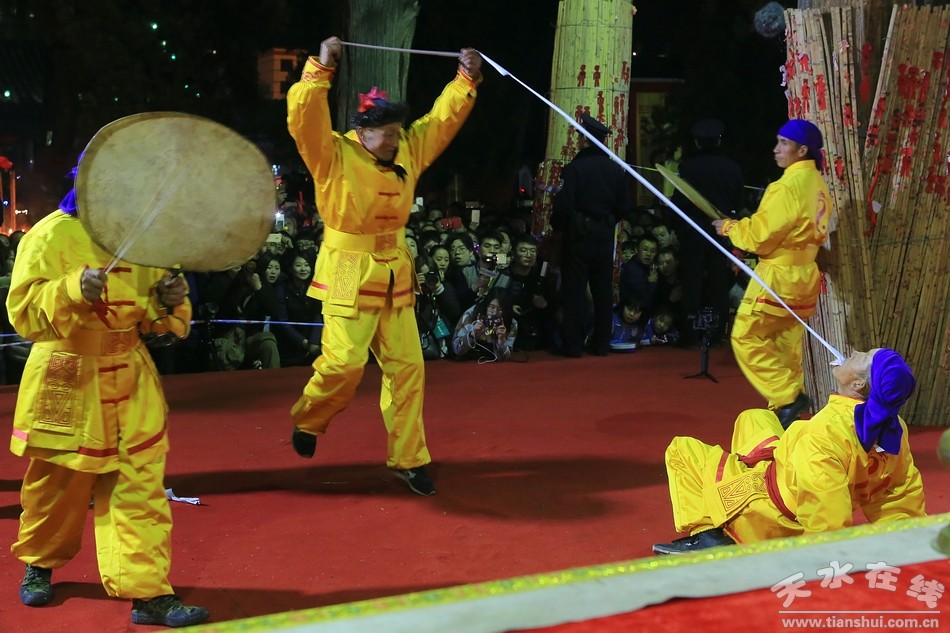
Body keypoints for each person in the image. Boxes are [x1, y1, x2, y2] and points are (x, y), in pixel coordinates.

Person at [285, 36, 482, 496]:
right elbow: (304, 119)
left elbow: (440, 122)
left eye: (397, 133)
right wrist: (320, 70)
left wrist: (466, 79)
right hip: (347, 268)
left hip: (395, 269)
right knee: (343, 365)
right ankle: (310, 419)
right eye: (386, 135)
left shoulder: (408, 148)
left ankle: (409, 458)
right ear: (364, 132)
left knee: (409, 368)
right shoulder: (332, 153)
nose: (395, 141)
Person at [6, 189, 208, 625]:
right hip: (67, 375)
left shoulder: (147, 237)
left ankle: (148, 593)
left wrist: (169, 300)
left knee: (141, 489)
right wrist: (70, 289)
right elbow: (23, 315)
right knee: (56, 486)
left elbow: (156, 320)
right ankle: (39, 563)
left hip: (130, 378)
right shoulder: (49, 234)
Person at [653, 348, 925, 555]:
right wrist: (907, 539)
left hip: (775, 515)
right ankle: (758, 460)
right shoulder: (895, 428)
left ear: (858, 385)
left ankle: (709, 538)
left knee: (681, 449)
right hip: (792, 471)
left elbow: (825, 516)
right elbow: (899, 493)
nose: (853, 352)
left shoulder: (824, 433)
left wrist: (821, 558)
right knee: (754, 416)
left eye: (862, 357)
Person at [712, 119, 832, 427]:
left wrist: (730, 228)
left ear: (802, 150)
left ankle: (788, 398)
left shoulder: (787, 187)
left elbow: (760, 236)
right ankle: (785, 413)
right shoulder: (818, 185)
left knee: (745, 336)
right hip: (805, 275)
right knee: (784, 345)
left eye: (783, 143)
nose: (776, 149)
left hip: (779, 275)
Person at [552, 113, 633, 357]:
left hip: (578, 234)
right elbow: (625, 205)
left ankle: (573, 345)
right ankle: (601, 343)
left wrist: (561, 227)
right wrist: (607, 222)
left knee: (575, 290)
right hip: (604, 234)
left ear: (584, 139)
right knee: (602, 290)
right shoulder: (615, 170)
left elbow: (563, 206)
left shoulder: (574, 168)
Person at [671, 118, 745, 347]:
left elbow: (678, 202)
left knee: (691, 282)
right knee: (719, 283)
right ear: (719, 140)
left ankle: (690, 334)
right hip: (721, 231)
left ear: (697, 142)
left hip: (693, 231)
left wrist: (680, 229)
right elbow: (738, 202)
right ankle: (716, 333)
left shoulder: (687, 168)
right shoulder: (732, 168)